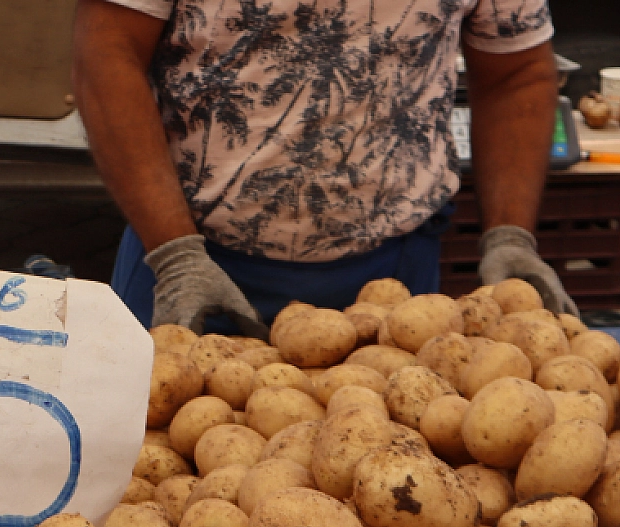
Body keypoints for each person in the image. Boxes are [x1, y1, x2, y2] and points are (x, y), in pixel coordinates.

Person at [73, 0, 579, 336]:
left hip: (392, 279)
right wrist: (176, 257)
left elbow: (516, 72)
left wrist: (510, 236)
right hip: (188, 258)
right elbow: (106, 51)